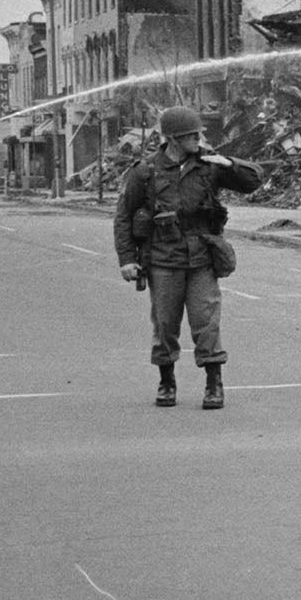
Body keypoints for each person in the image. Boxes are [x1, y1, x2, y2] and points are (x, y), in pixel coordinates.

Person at [112, 105, 261, 409]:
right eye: (192, 135)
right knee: (165, 324)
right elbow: (124, 216)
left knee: (206, 322)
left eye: (198, 133)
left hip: (202, 258)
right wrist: (127, 258)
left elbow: (254, 180)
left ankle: (213, 383)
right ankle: (167, 382)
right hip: (163, 258)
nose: (198, 139)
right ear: (174, 139)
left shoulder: (208, 165)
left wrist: (230, 163)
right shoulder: (147, 171)